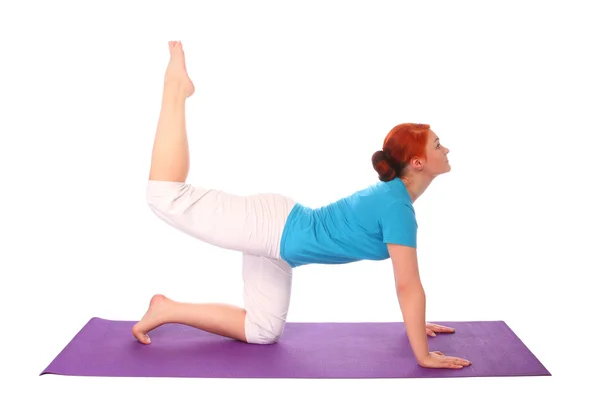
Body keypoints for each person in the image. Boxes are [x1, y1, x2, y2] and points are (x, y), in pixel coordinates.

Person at [133, 40, 472, 370]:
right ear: (416, 162)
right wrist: (423, 354)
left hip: (282, 248)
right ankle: (175, 88)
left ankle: (165, 308)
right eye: (438, 145)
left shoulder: (394, 200)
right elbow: (408, 285)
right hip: (272, 227)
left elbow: (407, 285)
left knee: (262, 331)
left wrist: (417, 324)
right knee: (165, 195)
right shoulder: (397, 207)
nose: (446, 150)